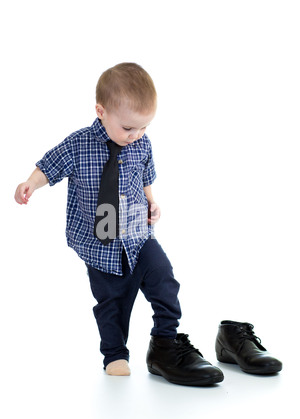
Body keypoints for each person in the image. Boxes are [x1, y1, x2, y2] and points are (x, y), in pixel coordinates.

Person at [14, 62, 224, 386]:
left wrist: (152, 202)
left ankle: (165, 342)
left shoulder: (142, 143)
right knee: (111, 304)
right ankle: (114, 355)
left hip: (140, 237)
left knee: (165, 282)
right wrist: (30, 183)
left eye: (143, 128)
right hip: (101, 245)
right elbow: (49, 165)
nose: (136, 135)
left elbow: (145, 178)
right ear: (101, 111)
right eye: (128, 128)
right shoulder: (78, 144)